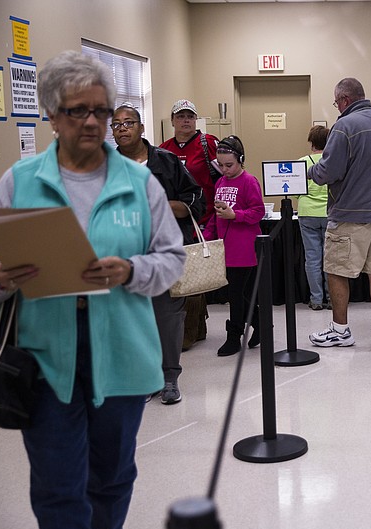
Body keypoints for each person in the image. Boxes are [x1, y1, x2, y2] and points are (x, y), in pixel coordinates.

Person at [0, 50, 185, 529]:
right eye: (77, 111)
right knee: (57, 486)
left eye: (102, 111)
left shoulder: (139, 183)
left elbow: (172, 260)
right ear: (51, 114)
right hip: (45, 359)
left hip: (124, 354)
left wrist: (130, 269)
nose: (93, 122)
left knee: (111, 479)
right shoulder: (20, 181)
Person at [112, 103, 205, 405]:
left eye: (128, 122)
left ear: (141, 128)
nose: (122, 128)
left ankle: (169, 377)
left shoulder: (166, 162)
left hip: (163, 251)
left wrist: (158, 205)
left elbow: (194, 201)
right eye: (116, 124)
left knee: (167, 316)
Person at [307, 77, 371, 352]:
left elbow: (328, 171)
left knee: (336, 270)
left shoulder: (344, 126)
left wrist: (310, 172)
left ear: (345, 100)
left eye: (336, 102)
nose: (337, 107)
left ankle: (340, 331)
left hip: (350, 213)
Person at [160, 99, 219, 351]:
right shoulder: (163, 150)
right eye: (180, 116)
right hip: (174, 219)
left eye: (190, 116)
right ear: (172, 121)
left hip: (204, 217)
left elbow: (225, 173)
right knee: (184, 273)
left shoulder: (208, 144)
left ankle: (191, 331)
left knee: (196, 271)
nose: (185, 120)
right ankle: (194, 326)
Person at [203, 135, 264, 356]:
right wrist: (208, 234)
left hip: (244, 248)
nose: (225, 169)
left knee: (236, 294)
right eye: (220, 165)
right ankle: (262, 326)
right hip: (225, 249)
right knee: (242, 294)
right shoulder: (220, 182)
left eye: (229, 165)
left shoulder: (249, 181)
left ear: (241, 160)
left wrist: (235, 215)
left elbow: (258, 212)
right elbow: (216, 215)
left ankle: (234, 336)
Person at [297, 125, 330, 310]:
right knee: (330, 258)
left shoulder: (302, 162)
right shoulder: (333, 161)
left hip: (307, 213)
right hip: (329, 213)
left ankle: (316, 300)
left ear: (311, 143)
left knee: (312, 258)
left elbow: (295, 192)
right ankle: (333, 298)